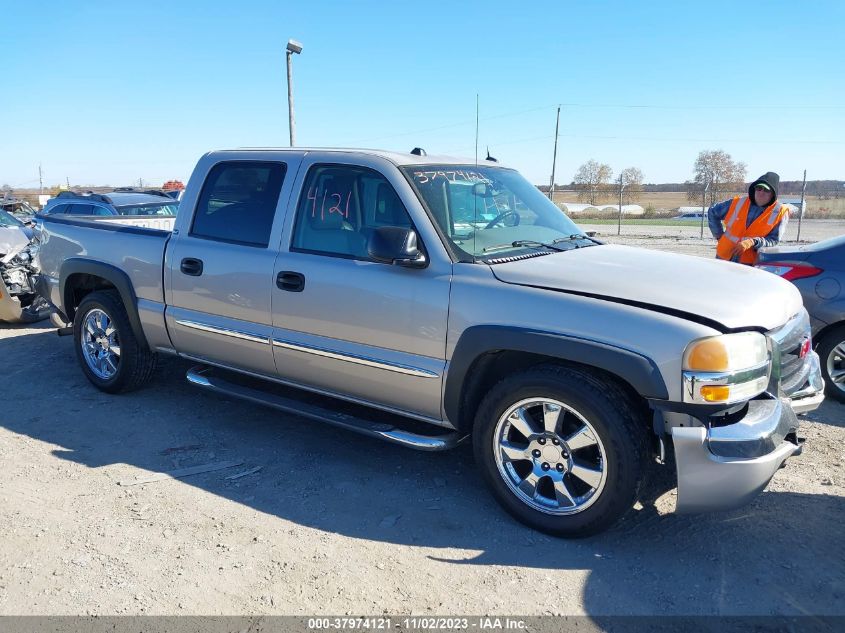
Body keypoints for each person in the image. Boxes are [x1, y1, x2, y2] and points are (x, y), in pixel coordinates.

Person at [708, 172, 789, 265]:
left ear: (773, 194)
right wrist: (719, 235)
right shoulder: (738, 202)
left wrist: (753, 242)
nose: (761, 192)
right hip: (724, 256)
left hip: (748, 263)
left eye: (766, 190)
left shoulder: (780, 212)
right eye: (759, 188)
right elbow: (713, 211)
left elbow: (773, 240)